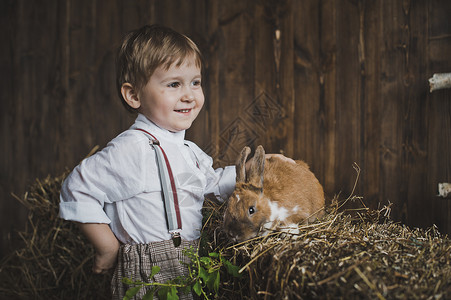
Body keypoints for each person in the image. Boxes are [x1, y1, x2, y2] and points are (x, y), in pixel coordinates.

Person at [59, 24, 293, 299]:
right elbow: (76, 188)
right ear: (134, 95)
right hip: (149, 269)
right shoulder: (132, 148)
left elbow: (212, 183)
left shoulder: (187, 150)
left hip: (191, 259)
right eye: (173, 84)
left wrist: (254, 169)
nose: (189, 94)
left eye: (195, 82)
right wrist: (107, 247)